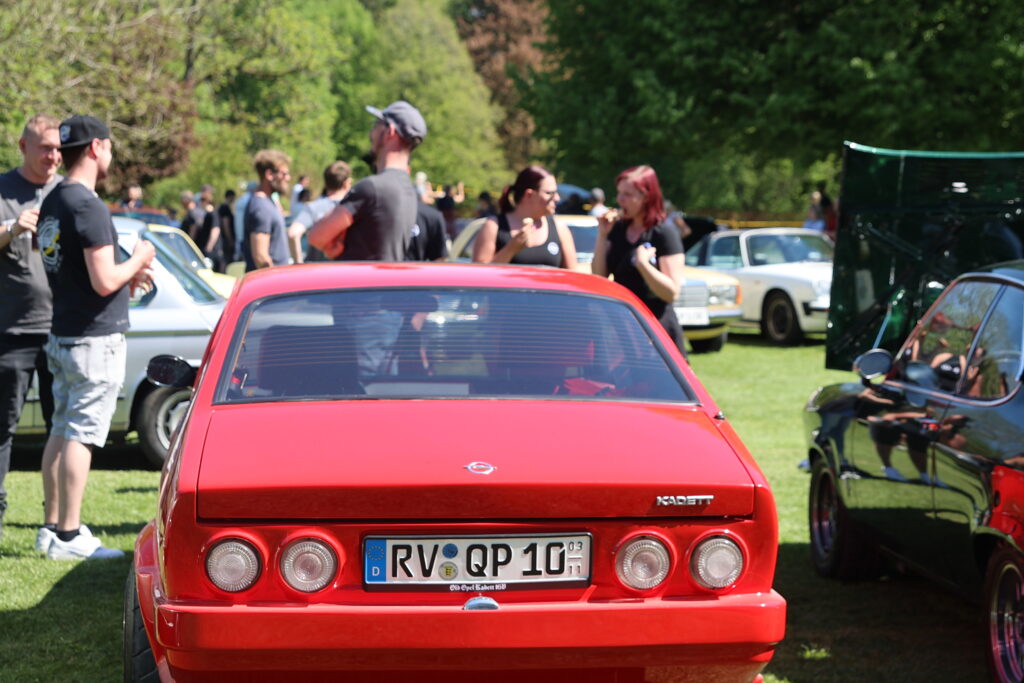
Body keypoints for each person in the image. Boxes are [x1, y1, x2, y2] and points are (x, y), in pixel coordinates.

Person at [36, 114, 155, 559]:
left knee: (61, 427)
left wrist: (126, 277)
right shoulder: (88, 205)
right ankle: (69, 536)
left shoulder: (55, 199)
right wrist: (139, 257)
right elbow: (103, 280)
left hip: (64, 332)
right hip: (92, 339)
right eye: (109, 146)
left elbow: (77, 272)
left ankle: (51, 527)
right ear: (96, 147)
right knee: (81, 433)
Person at [0, 114, 62, 543]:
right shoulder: (4, 189)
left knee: (61, 428)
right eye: (45, 148)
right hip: (13, 330)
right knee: (3, 426)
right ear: (24, 147)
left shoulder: (66, 192)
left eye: (57, 149)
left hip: (62, 330)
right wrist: (11, 227)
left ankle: (56, 520)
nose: (53, 156)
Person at [309, 101, 424, 262]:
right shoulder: (408, 190)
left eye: (376, 125)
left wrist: (338, 236)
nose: (371, 133)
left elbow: (316, 236)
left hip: (358, 278)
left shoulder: (373, 187)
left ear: (390, 131)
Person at [593, 165, 686, 353]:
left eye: (628, 194)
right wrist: (602, 235)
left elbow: (671, 293)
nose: (620, 199)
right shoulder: (617, 229)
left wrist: (643, 265)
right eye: (619, 193)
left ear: (646, 197)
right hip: (624, 328)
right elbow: (599, 276)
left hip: (657, 330)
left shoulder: (663, 233)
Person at [471, 165, 578, 269]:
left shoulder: (559, 229)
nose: (557, 198)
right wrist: (510, 249)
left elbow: (573, 276)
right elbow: (479, 275)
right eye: (550, 193)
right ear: (529, 194)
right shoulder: (494, 226)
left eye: (556, 192)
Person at [289, 161, 352, 263]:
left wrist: (298, 264)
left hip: (316, 269)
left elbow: (293, 233)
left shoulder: (314, 207)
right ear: (346, 183)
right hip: (346, 268)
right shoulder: (353, 208)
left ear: (326, 184)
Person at [243, 150, 292, 271]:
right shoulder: (261, 208)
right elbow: (260, 257)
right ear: (269, 174)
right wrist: (276, 279)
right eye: (284, 174)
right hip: (272, 280)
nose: (288, 178)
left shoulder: (268, 202)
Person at [194, 186, 224, 271]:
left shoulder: (213, 214)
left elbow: (215, 230)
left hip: (213, 250)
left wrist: (209, 246)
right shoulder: (207, 214)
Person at [216, 189, 236, 265]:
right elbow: (225, 224)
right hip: (226, 239)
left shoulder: (223, 207)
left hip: (224, 238)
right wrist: (229, 238)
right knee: (227, 259)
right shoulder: (225, 207)